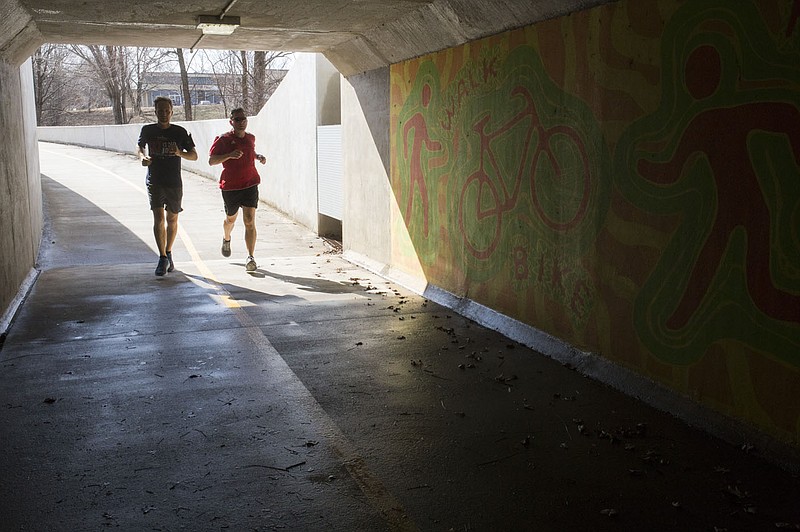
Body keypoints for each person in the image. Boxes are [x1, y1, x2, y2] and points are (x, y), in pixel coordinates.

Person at [136, 96, 198, 276]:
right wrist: (142, 158)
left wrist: (179, 152)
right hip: (155, 180)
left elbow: (194, 155)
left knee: (172, 219)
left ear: (171, 112)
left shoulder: (179, 132)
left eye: (167, 110)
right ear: (155, 112)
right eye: (160, 110)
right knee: (158, 218)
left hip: (174, 182)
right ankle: (162, 257)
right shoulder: (147, 130)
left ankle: (168, 252)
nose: (164, 114)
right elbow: (139, 147)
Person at [208, 108, 266, 272]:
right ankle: (227, 237)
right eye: (237, 119)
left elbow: (250, 152)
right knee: (231, 220)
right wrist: (229, 155)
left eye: (243, 119)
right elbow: (211, 161)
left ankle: (251, 257)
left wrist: (258, 157)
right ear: (231, 121)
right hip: (231, 187)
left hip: (250, 183)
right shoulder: (223, 139)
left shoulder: (250, 138)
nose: (241, 122)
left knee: (249, 221)